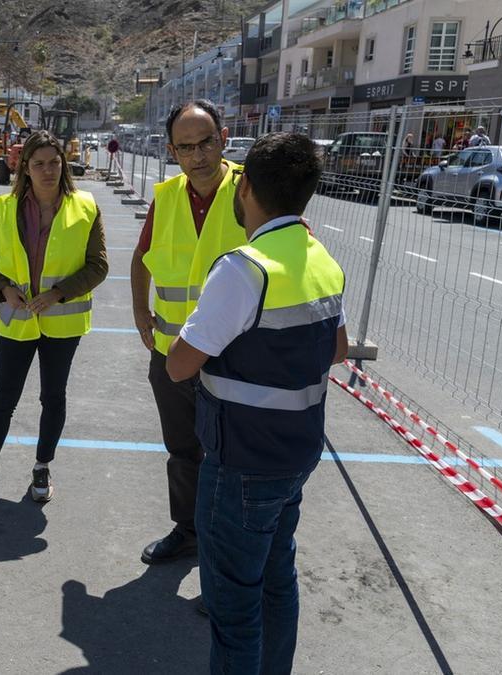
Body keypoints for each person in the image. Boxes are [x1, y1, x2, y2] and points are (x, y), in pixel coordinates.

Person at [164, 132, 347, 673]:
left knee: (233, 607)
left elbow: (180, 363)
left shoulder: (245, 267)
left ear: (245, 191)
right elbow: (335, 350)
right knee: (276, 582)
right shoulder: (321, 258)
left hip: (241, 461)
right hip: (296, 454)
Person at [0, 130, 109, 515]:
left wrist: (59, 293)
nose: (48, 171)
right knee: (3, 400)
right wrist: (3, 290)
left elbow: (98, 266)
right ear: (24, 168)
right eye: (39, 164)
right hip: (17, 318)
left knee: (53, 398)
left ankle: (42, 467)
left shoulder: (86, 207)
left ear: (64, 165)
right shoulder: (6, 208)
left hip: (62, 324)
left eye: (54, 162)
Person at [131, 100, 247, 565]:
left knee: (234, 459)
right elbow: (142, 257)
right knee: (182, 449)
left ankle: (227, 555)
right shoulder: (168, 196)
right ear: (171, 150)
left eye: (206, 143)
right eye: (186, 147)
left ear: (224, 137)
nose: (198, 155)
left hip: (237, 354)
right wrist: (140, 309)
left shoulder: (250, 189)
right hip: (173, 352)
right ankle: (189, 530)